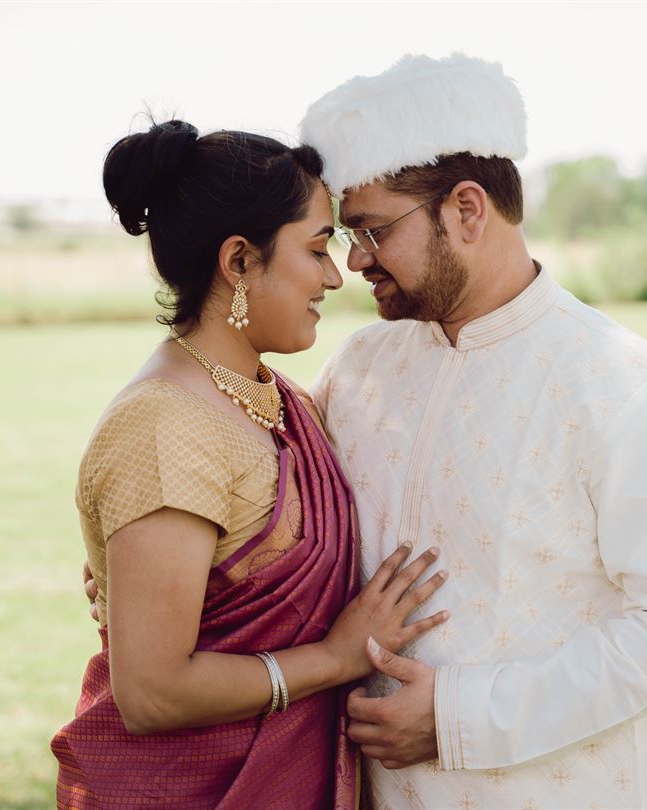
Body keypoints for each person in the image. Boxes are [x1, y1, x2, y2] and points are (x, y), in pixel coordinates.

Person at [299, 53, 647, 809]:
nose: (355, 260)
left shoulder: (621, 383)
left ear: (467, 211)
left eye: (372, 230)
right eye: (347, 234)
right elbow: (288, 517)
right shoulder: (359, 367)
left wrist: (460, 718)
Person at [52, 120, 450, 809]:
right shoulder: (164, 425)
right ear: (238, 261)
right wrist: (336, 658)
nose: (335, 276)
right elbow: (150, 693)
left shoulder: (282, 399)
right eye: (317, 248)